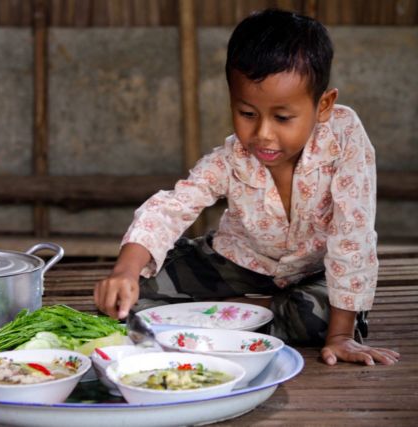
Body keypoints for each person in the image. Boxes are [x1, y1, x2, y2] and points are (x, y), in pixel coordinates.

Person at [94, 8, 400, 366]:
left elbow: (353, 234)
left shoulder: (345, 140)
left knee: (318, 320)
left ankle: (231, 315)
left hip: (313, 272)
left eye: (283, 117)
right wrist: (124, 272)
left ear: (324, 105)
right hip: (236, 261)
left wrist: (341, 337)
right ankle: (241, 318)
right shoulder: (230, 158)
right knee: (130, 296)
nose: (263, 134)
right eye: (248, 114)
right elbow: (173, 206)